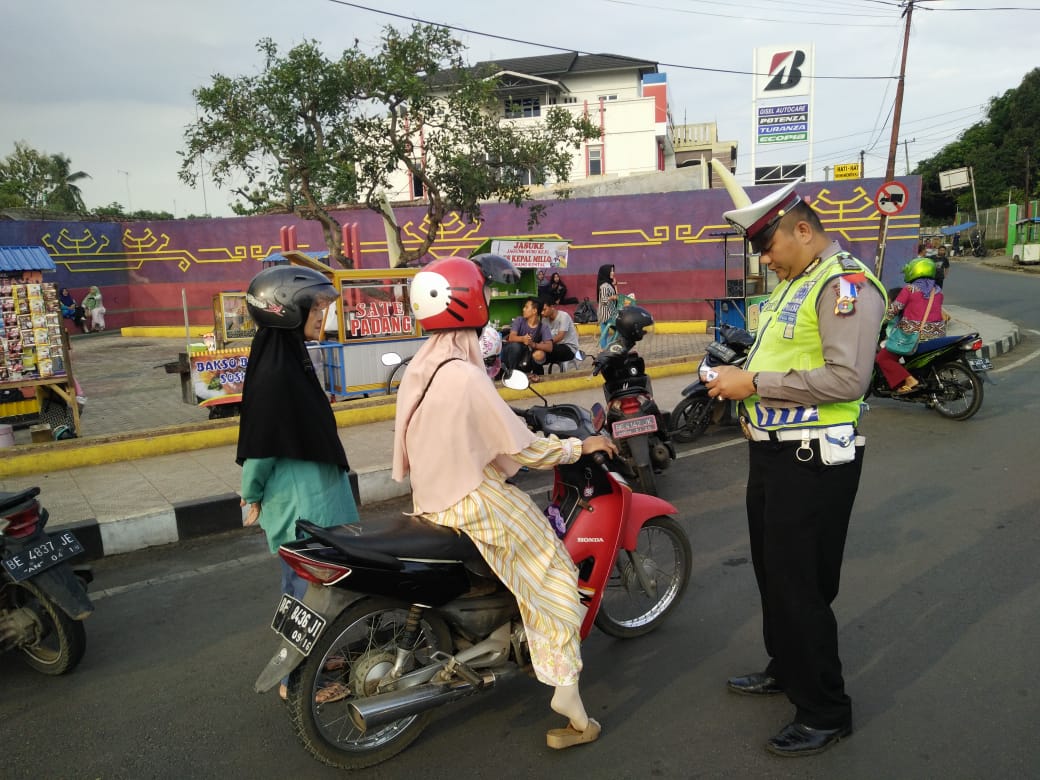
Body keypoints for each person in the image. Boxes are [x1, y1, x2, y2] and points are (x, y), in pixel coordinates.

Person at [392, 254, 618, 749]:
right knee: (554, 573)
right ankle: (567, 693)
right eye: (486, 297)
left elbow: (466, 426)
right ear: (468, 304)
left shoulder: (422, 365)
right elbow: (524, 449)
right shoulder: (466, 375)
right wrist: (580, 445)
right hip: (469, 498)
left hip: (431, 496)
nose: (491, 305)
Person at [704, 162, 887, 757]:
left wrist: (753, 383)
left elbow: (847, 379)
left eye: (768, 246)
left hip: (814, 460)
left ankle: (825, 709)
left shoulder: (845, 285)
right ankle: (787, 666)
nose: (765, 261)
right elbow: (777, 351)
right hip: (774, 458)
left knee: (801, 585)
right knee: (773, 574)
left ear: (801, 230)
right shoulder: (794, 284)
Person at [236, 265, 360, 702]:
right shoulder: (277, 375)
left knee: (321, 591)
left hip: (319, 503)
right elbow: (260, 447)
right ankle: (298, 680)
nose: (322, 314)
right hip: (301, 510)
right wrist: (250, 495)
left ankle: (318, 659)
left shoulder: (291, 359)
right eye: (316, 306)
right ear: (287, 310)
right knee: (304, 596)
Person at [876, 257, 946, 395]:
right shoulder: (938, 292)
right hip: (937, 337)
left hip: (912, 337)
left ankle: (909, 380)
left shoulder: (909, 289)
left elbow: (894, 310)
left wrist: (880, 320)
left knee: (883, 358)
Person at [501, 296, 553, 379]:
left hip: (527, 356)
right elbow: (511, 337)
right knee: (516, 346)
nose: (523, 309)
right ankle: (512, 374)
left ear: (534, 311)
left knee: (540, 354)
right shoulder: (519, 320)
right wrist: (523, 339)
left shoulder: (543, 327)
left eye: (526, 307)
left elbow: (549, 347)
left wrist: (533, 344)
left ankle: (535, 374)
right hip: (511, 355)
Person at [540, 298, 580, 370]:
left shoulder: (563, 316)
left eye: (544, 309)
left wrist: (544, 344)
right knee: (536, 356)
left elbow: (560, 336)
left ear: (552, 307)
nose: (542, 313)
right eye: (541, 311)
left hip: (569, 348)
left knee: (544, 350)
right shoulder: (544, 320)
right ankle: (538, 376)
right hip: (554, 347)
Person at [596, 264, 619, 349]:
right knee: (620, 330)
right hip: (608, 314)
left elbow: (617, 296)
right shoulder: (605, 286)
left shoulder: (608, 284)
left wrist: (615, 285)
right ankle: (608, 346)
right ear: (606, 272)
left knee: (604, 334)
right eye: (611, 271)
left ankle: (604, 349)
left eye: (613, 270)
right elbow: (603, 300)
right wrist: (612, 297)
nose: (613, 272)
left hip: (605, 313)